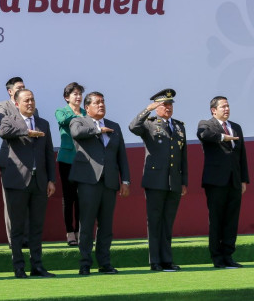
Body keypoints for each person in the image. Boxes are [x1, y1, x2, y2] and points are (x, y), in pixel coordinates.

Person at [69, 91, 130, 276]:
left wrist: (125, 180)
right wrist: (98, 130)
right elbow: (76, 133)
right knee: (86, 224)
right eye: (97, 103)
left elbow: (122, 156)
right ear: (87, 108)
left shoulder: (114, 126)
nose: (101, 105)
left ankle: (104, 263)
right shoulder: (79, 121)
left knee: (106, 225)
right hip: (88, 180)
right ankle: (85, 263)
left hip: (110, 182)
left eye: (103, 102)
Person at [0, 89, 57, 278]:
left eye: (32, 99)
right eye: (26, 101)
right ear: (17, 104)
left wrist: (51, 179)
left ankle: (37, 266)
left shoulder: (44, 123)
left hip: (39, 182)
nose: (30, 103)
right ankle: (18, 267)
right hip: (17, 182)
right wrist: (26, 131)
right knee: (17, 227)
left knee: (37, 226)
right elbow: (3, 132)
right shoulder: (10, 120)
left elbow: (49, 153)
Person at [129, 89, 188, 272]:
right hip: (155, 180)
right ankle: (155, 261)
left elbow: (183, 156)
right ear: (156, 107)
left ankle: (167, 260)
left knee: (168, 222)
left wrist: (183, 180)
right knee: (154, 222)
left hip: (174, 181)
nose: (168, 108)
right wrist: (147, 109)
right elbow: (132, 127)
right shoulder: (149, 124)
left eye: (170, 104)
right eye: (164, 105)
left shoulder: (179, 126)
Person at [197, 96, 249, 269]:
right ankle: (217, 257)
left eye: (228, 106)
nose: (226, 109)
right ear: (214, 110)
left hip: (234, 180)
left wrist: (243, 179)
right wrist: (223, 137)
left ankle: (228, 256)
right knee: (217, 219)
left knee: (231, 220)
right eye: (223, 106)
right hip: (216, 181)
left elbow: (242, 156)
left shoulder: (236, 127)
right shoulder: (206, 124)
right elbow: (203, 135)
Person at [0, 77, 31, 248]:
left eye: (24, 87)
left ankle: (25, 237)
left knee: (27, 203)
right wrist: (24, 126)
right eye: (19, 88)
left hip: (28, 161)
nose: (22, 89)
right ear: (10, 91)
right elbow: (4, 125)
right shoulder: (3, 106)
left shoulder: (32, 107)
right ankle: (13, 240)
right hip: (10, 160)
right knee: (11, 203)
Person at [54, 82, 85, 246]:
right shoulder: (62, 111)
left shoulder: (86, 112)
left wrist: (84, 116)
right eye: (75, 94)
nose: (78, 97)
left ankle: (80, 231)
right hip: (66, 159)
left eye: (80, 94)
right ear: (67, 97)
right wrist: (79, 117)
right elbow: (63, 120)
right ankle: (70, 232)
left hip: (84, 160)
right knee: (69, 197)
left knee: (82, 197)